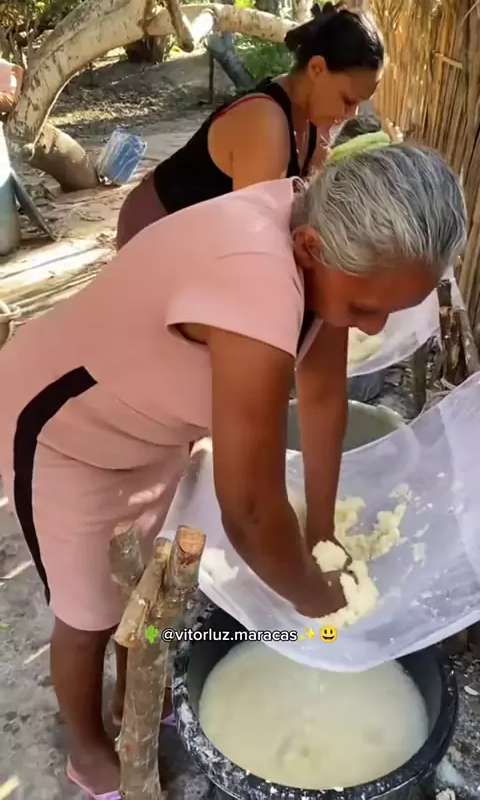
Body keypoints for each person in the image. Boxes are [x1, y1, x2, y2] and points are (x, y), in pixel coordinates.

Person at [0, 138, 465, 798]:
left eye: (391, 308)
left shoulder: (326, 239)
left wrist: (321, 535)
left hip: (149, 430)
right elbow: (247, 510)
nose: (374, 326)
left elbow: (324, 401)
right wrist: (315, 603)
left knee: (141, 594)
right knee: (88, 615)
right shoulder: (257, 284)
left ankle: (132, 696)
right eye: (366, 308)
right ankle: (87, 745)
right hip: (65, 437)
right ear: (309, 250)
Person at [116, 1, 384, 250]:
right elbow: (257, 239)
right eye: (347, 100)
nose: (352, 114)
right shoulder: (264, 121)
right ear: (316, 69)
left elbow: (308, 215)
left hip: (203, 241)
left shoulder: (317, 123)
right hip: (153, 232)